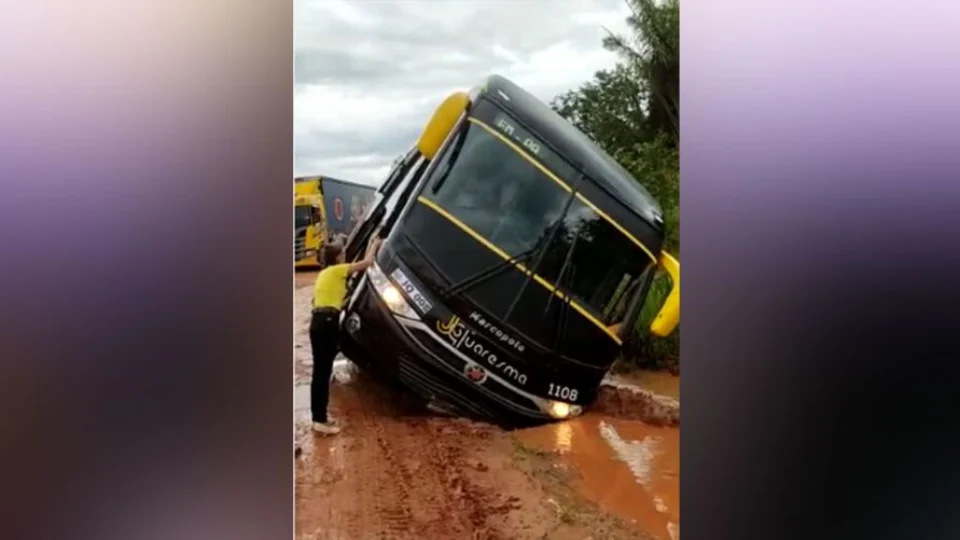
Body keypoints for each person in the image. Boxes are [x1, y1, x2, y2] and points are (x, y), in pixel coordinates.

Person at [309, 236, 382, 435]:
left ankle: (318, 417)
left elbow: (315, 301)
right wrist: (374, 244)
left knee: (320, 372)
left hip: (317, 322)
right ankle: (320, 420)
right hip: (327, 323)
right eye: (342, 254)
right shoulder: (338, 270)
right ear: (338, 257)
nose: (344, 256)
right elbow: (367, 263)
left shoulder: (324, 274)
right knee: (322, 373)